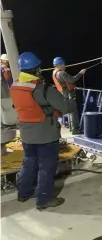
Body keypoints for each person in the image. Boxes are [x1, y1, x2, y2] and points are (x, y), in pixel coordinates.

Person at [9, 52, 76, 210]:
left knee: (28, 164)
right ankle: (43, 200)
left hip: (26, 134)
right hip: (46, 135)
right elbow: (65, 107)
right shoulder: (44, 89)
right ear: (37, 69)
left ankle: (23, 194)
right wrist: (69, 99)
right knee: (46, 167)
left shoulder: (15, 86)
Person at [51, 57, 86, 134]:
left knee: (70, 111)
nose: (65, 66)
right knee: (73, 111)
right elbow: (72, 79)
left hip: (63, 94)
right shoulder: (62, 73)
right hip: (68, 93)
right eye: (63, 64)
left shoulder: (54, 72)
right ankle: (75, 130)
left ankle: (71, 127)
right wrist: (81, 73)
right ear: (59, 65)